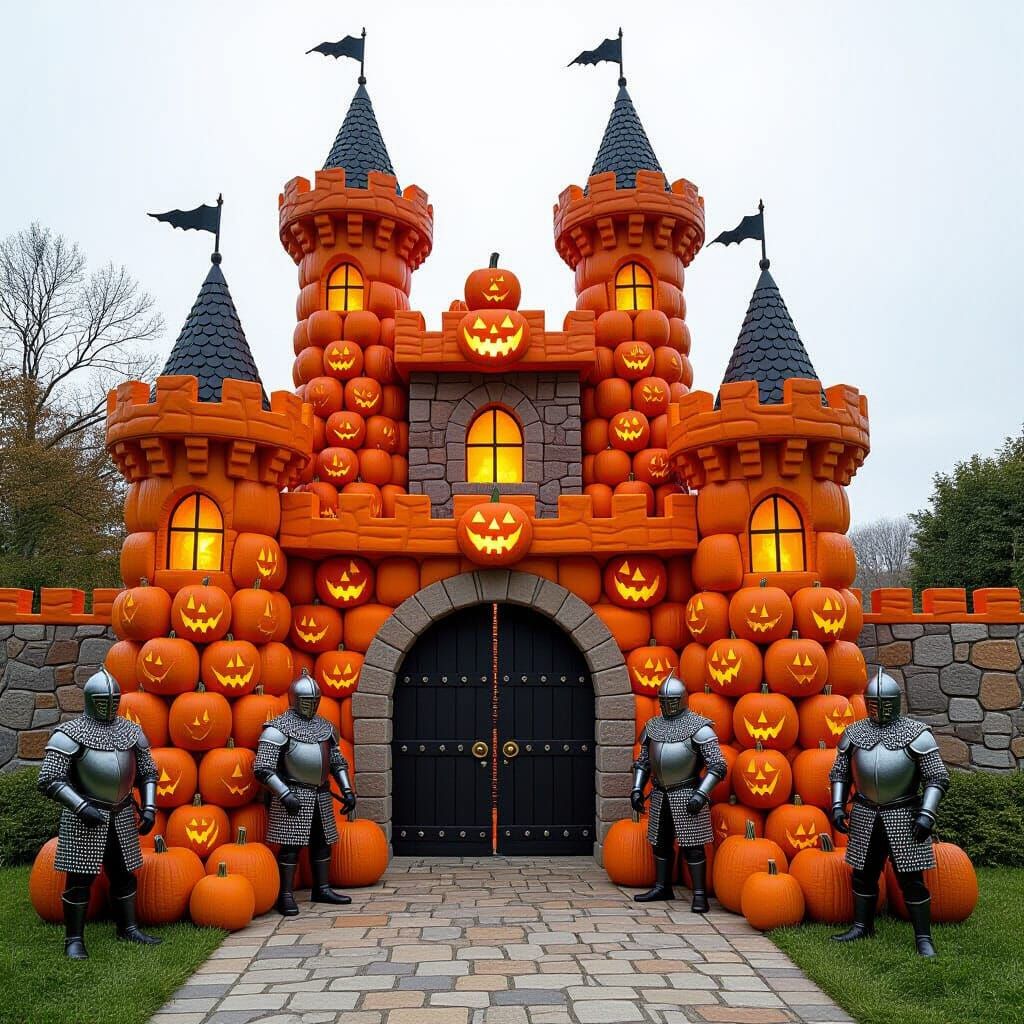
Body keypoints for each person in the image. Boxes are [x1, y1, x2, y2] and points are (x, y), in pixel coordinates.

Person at [37, 668, 160, 959]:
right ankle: (74, 939)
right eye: (103, 699)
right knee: (79, 879)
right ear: (91, 700)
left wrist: (150, 807)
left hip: (121, 813)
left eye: (113, 699)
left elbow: (147, 772)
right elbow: (50, 778)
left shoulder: (131, 730)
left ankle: (128, 927)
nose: (109, 705)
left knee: (123, 874)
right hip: (84, 816)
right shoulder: (70, 733)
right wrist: (80, 806)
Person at [830, 668, 950, 956]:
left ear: (897, 701)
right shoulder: (854, 733)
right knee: (863, 873)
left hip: (903, 813)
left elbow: (936, 777)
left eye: (885, 702)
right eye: (874, 702)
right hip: (865, 812)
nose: (879, 708)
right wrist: (837, 805)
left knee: (910, 878)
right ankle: (862, 926)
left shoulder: (917, 734)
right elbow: (840, 773)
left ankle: (923, 937)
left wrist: (927, 814)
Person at [255, 671, 356, 915]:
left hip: (321, 794)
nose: (311, 705)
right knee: (291, 846)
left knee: (322, 843)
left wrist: (347, 790)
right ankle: (286, 895)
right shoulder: (278, 728)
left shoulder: (325, 728)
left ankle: (322, 888)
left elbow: (336, 762)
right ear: (294, 699)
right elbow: (263, 767)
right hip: (293, 793)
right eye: (306, 700)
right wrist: (284, 794)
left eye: (315, 700)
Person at [630, 674, 727, 912]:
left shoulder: (699, 727)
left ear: (681, 700)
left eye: (670, 700)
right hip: (660, 792)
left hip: (687, 792)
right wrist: (636, 789)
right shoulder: (652, 726)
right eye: (662, 701)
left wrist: (701, 794)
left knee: (692, 845)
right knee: (660, 842)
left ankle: (699, 894)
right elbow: (643, 762)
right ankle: (663, 886)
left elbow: (717, 765)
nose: (665, 705)